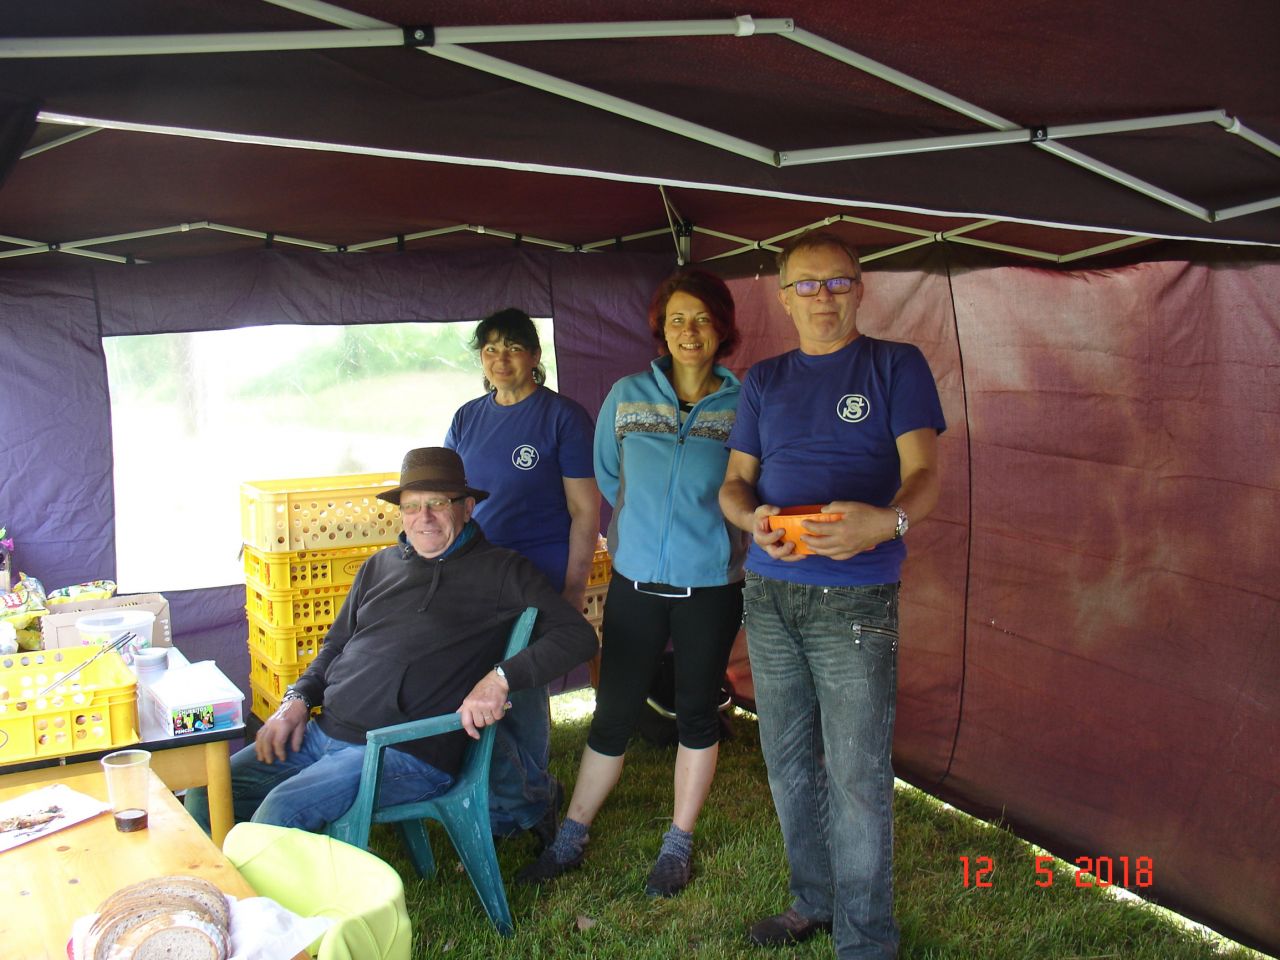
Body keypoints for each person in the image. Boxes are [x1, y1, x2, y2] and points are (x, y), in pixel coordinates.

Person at [719, 231, 945, 959]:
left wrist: (887, 522)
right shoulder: (764, 380)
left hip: (854, 602)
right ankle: (812, 902)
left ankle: (866, 939)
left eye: (838, 282)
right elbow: (734, 484)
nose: (824, 297)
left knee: (855, 774)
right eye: (807, 285)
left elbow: (925, 474)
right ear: (784, 299)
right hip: (771, 594)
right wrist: (753, 519)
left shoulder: (895, 365)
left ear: (861, 289)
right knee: (787, 762)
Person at [185, 447, 597, 833]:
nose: (424, 517)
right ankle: (213, 883)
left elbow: (577, 636)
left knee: (279, 811)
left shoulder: (502, 571)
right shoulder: (379, 566)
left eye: (438, 503)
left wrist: (499, 679)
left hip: (402, 751)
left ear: (467, 507)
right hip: (321, 731)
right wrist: (297, 700)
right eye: (412, 506)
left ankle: (262, 886)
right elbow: (335, 647)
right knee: (209, 792)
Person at [518, 269, 747, 898]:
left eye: (702, 319)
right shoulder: (626, 396)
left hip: (711, 587)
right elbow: (610, 477)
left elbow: (749, 483)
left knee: (696, 712)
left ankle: (678, 843)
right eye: (677, 320)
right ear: (661, 329)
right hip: (636, 583)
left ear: (721, 328)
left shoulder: (743, 404)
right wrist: (645, 532)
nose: (689, 332)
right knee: (613, 710)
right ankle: (571, 835)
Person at [444, 307, 601, 847]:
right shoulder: (467, 418)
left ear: (534, 356)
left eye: (513, 347)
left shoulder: (562, 417)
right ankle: (510, 791)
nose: (501, 358)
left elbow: (585, 511)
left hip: (538, 574)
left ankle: (530, 804)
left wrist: (573, 588)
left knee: (523, 685)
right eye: (490, 349)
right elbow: (452, 501)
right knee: (479, 682)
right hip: (476, 574)